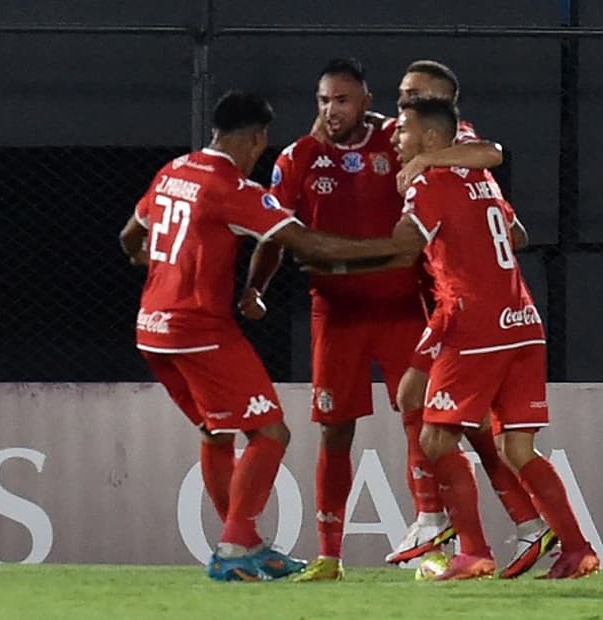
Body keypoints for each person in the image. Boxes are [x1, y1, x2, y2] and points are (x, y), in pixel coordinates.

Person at [119, 90, 405, 582]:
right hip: (198, 329)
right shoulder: (233, 188)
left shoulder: (173, 171)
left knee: (216, 427)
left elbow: (129, 237)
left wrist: (152, 260)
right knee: (271, 432)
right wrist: (390, 248)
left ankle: (246, 541)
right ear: (257, 138)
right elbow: (303, 240)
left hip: (152, 329)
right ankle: (233, 548)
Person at [240, 58, 502, 582]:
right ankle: (330, 555)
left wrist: (426, 164)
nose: (331, 111)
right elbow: (273, 232)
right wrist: (254, 288)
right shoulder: (298, 157)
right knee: (334, 432)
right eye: (322, 101)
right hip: (335, 315)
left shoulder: (400, 137)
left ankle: (435, 531)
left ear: (365, 101)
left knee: (422, 420)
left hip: (405, 307)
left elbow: (486, 152)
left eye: (341, 100)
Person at [360, 96, 600, 580]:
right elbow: (515, 236)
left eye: (403, 130)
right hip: (523, 322)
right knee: (518, 449)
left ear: (431, 137)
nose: (396, 138)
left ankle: (473, 552)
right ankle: (577, 549)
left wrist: (358, 250)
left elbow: (409, 240)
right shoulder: (480, 175)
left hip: (477, 327)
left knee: (435, 437)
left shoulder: (428, 182)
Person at [385, 60, 557, 580]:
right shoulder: (416, 142)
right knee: (427, 405)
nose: (401, 107)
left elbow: (495, 155)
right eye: (401, 95)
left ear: (442, 102)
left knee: (429, 408)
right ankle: (514, 524)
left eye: (413, 96)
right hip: (448, 298)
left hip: (463, 307)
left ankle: (450, 526)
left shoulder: (458, 146)